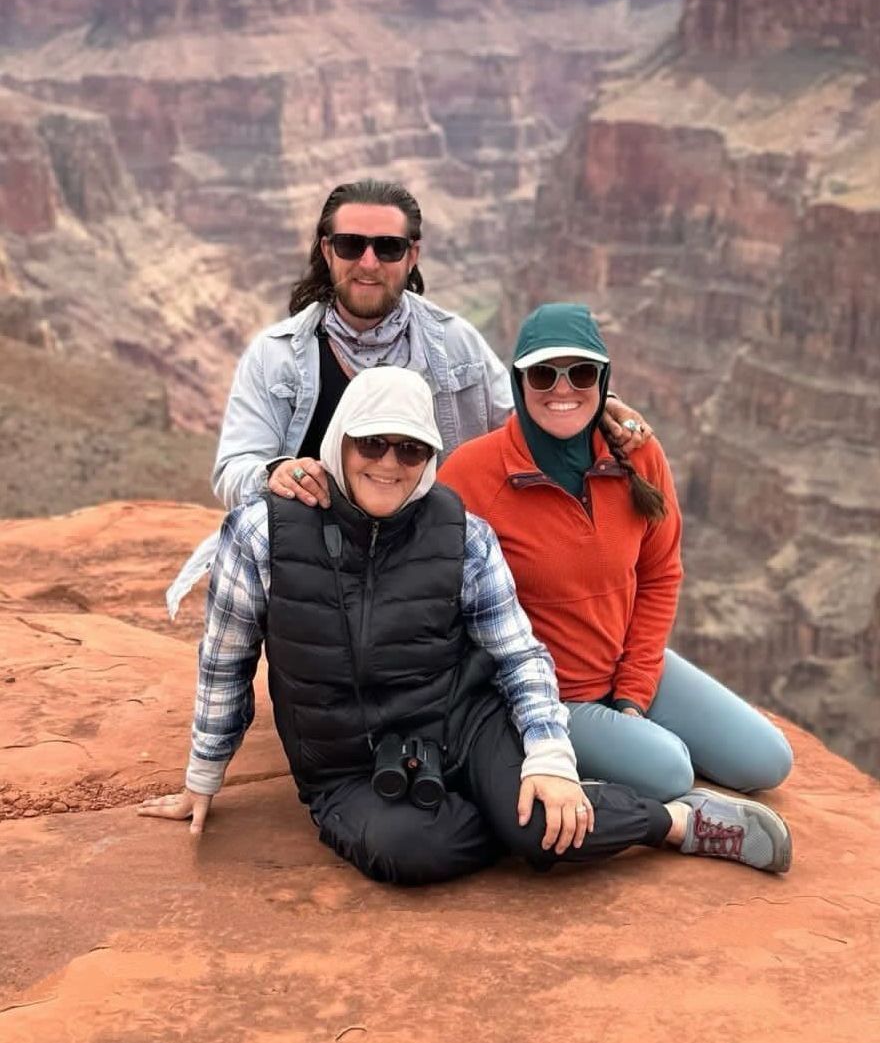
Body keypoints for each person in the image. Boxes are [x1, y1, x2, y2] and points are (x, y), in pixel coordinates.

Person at [142, 367, 793, 883]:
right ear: (339, 439)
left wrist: (548, 755)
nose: (389, 462)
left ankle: (677, 823)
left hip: (463, 724)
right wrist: (202, 778)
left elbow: (520, 656)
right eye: (372, 442)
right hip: (348, 765)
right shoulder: (261, 533)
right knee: (407, 850)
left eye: (410, 447)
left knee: (544, 821)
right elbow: (224, 665)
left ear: (428, 455)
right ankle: (538, 820)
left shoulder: (462, 535)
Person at [167, 178, 650, 614]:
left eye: (389, 248)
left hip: (435, 572)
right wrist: (277, 472)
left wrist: (596, 405)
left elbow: (522, 421)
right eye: (352, 245)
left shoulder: (454, 343)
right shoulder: (276, 358)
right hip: (316, 579)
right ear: (327, 250)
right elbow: (232, 470)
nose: (369, 263)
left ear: (412, 256)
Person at [437, 303, 794, 804]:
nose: (562, 389)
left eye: (580, 373)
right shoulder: (473, 474)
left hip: (628, 661)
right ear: (519, 382)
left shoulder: (639, 454)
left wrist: (635, 688)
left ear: (603, 381)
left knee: (768, 761)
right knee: (669, 771)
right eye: (543, 374)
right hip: (550, 697)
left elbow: (660, 575)